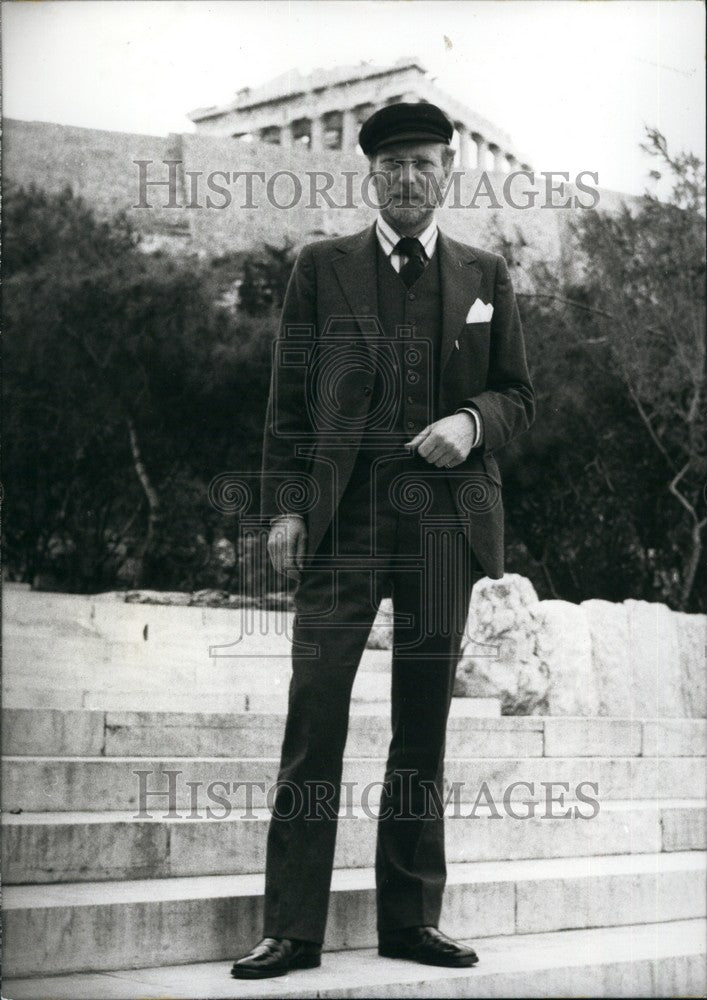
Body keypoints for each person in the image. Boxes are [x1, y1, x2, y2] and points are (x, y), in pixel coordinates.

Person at [231, 102, 535, 979]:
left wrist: (471, 423)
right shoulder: (320, 268)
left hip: (444, 527)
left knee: (421, 731)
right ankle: (291, 928)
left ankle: (410, 919)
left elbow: (518, 392)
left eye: (424, 164)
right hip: (342, 525)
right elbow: (287, 399)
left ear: (448, 172)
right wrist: (286, 509)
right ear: (372, 174)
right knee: (313, 719)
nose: (408, 178)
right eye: (393, 164)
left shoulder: (485, 274)